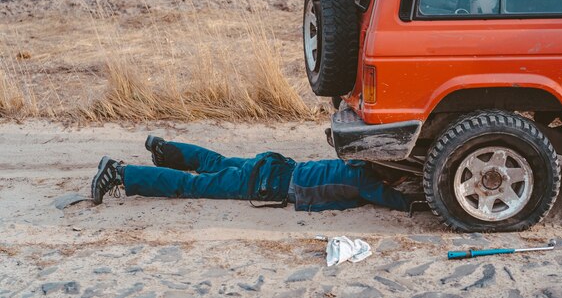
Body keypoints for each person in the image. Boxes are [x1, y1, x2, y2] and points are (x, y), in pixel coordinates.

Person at [91, 135, 424, 212]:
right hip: (265, 183)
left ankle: (166, 149)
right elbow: (386, 197)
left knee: (214, 161)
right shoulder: (363, 181)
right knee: (190, 186)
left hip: (272, 165)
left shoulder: (354, 164)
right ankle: (121, 173)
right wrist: (414, 202)